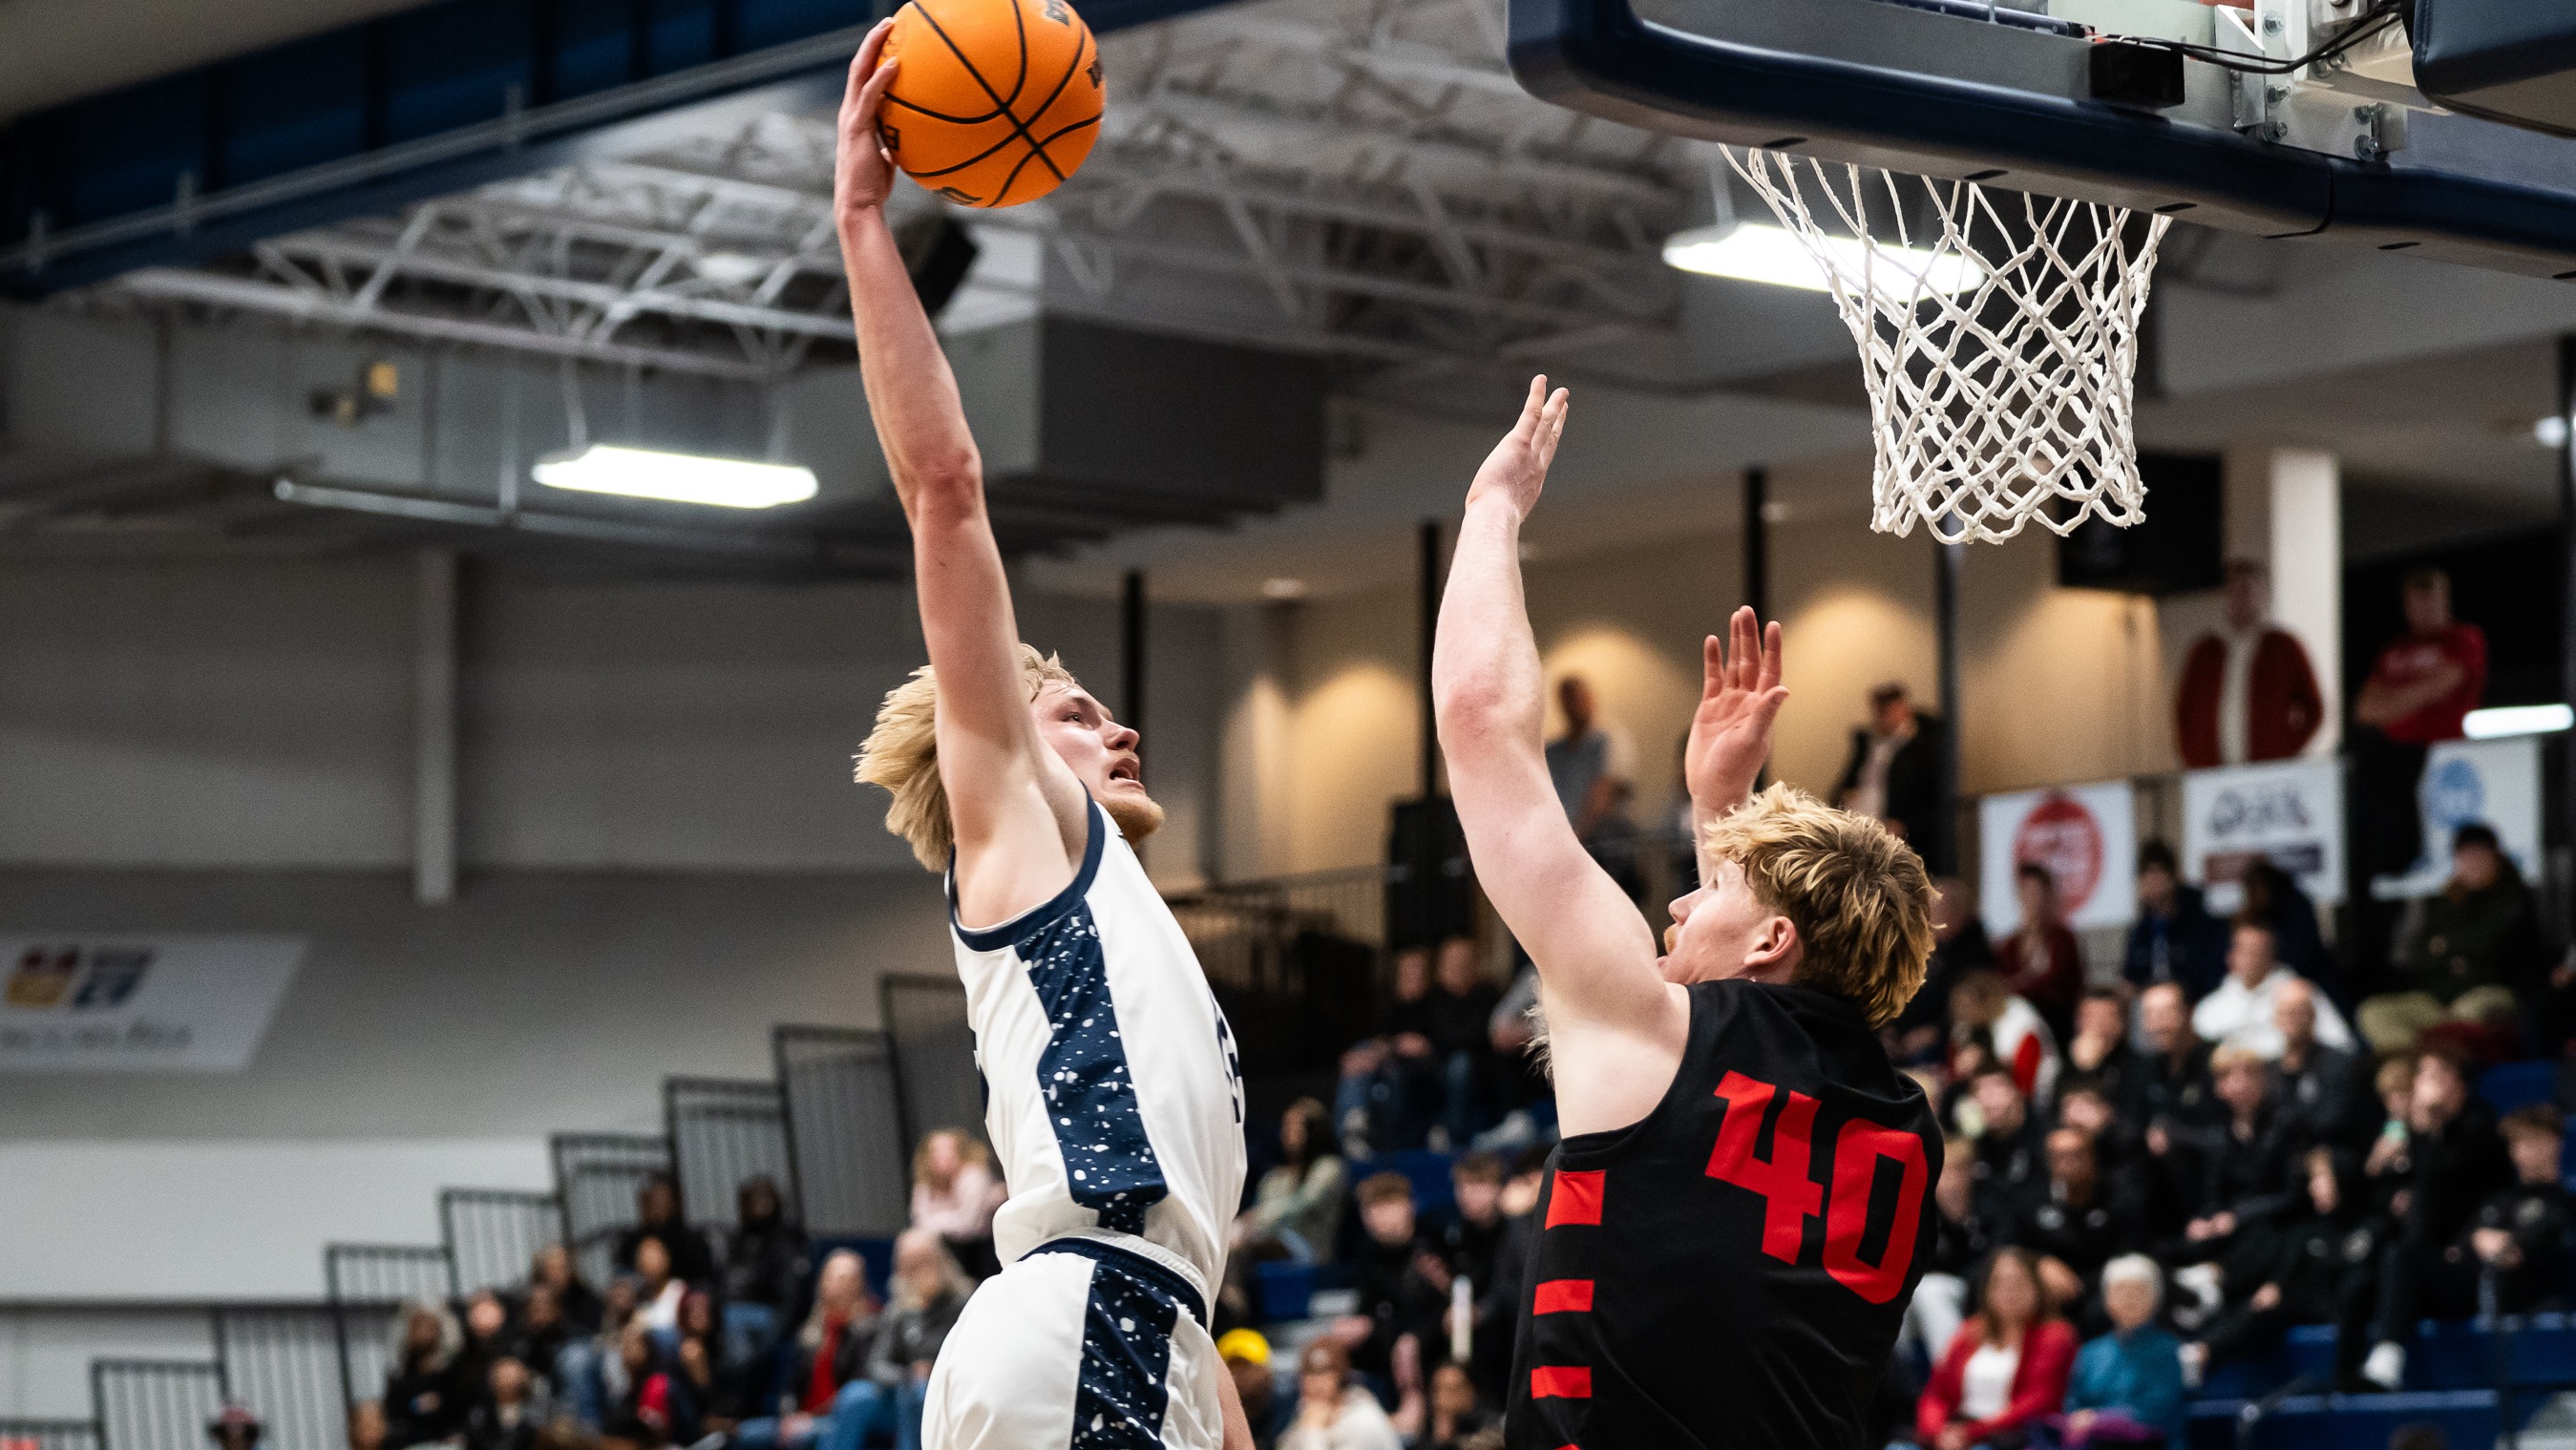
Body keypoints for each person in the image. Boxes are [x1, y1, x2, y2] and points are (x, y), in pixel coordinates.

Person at [836, 28, 1254, 1446]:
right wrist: (861, 224)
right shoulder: (1022, 828)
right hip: (1086, 1316)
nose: (1118, 722)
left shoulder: (1136, 935)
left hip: (1146, 1334)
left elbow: (1196, 1282)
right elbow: (945, 490)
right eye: (1074, 709)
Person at [1432, 383, 1940, 1450]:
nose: (1673, 898)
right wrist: (1723, 809)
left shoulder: (1652, 1031)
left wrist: (1491, 512)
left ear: (1769, 938)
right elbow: (1764, 1055)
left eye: (1706, 888)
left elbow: (1483, 727)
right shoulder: (1902, 1128)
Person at [2351, 1047, 2514, 1390]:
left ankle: (2388, 1351)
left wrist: (2424, 1129)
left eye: (2439, 1074)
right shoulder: (2418, 1134)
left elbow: (2448, 1180)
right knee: (2360, 1283)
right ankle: (2343, 1385)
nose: (2429, 1084)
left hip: (2466, 1266)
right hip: (2421, 1264)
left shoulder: (2479, 1125)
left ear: (2460, 1085)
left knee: (2402, 1255)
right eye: (2423, 1075)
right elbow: (2384, 1196)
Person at [2184, 1148, 2378, 1388]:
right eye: (2312, 1180)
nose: (2313, 1188)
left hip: (2339, 1311)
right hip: (2300, 1305)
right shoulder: (2309, 1229)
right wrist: (2276, 1286)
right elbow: (2286, 1272)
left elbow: (2346, 1280)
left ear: (2343, 1178)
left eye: (2321, 1178)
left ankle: (2204, 1351)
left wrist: (2285, 1292)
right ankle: (2206, 1310)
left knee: (2275, 1306)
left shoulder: (2370, 1228)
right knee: (2263, 1297)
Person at [2361, 823, 2544, 1053]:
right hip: (2436, 1000)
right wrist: (2451, 953)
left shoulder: (2513, 898)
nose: (2472, 863)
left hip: (2489, 994)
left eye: (2479, 855)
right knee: (2374, 1012)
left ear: (2495, 857)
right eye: (2465, 856)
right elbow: (2414, 957)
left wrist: (2444, 946)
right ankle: (2422, 1071)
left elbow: (2489, 945)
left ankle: (2439, 1070)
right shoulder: (2443, 900)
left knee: (2466, 1015)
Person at [2353, 568, 2486, 880]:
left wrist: (2394, 701)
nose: (2423, 609)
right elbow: (2364, 709)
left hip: (2442, 754)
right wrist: (2419, 694)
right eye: (2416, 602)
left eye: (2430, 600)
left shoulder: (2462, 638)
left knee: (2438, 838)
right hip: (2392, 758)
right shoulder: (2394, 650)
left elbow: (2443, 684)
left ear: (2444, 600)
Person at [1914, 1249, 2078, 1450]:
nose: (2009, 1292)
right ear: (1987, 1289)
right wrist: (1938, 1432)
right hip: (1958, 1431)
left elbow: (2040, 1399)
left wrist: (1971, 1433)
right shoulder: (1969, 1331)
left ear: (2037, 1288)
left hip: (2014, 1437)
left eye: (2018, 1283)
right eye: (2000, 1283)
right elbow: (1936, 1393)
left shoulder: (2056, 1335)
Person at [2174, 558, 2325, 770]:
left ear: (2262, 594)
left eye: (2248, 589)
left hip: (2266, 769)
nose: (2241, 598)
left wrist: (2286, 750)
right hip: (2212, 769)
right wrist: (2195, 756)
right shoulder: (2205, 652)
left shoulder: (2283, 647)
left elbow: (2313, 707)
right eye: (2234, 590)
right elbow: (2184, 712)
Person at [832, 1230, 974, 1450]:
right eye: (910, 1264)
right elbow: (877, 1365)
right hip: (901, 1392)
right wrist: (907, 1374)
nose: (918, 1271)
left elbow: (974, 1356)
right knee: (854, 1396)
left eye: (924, 1261)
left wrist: (934, 1371)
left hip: (947, 1390)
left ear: (941, 1260)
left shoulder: (964, 1303)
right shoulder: (898, 1310)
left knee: (920, 1391)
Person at [732, 1249, 880, 1450]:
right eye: (834, 1278)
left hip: (835, 1421)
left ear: (860, 1284)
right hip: (801, 1419)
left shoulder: (869, 1329)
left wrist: (809, 1419)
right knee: (744, 1434)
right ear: (823, 1282)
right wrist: (790, 1417)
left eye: (847, 1279)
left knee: (803, 1436)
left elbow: (857, 1392)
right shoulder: (810, 1330)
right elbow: (790, 1387)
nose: (840, 1285)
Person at [2059, 1256, 2185, 1449]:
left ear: (2155, 1298)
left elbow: (2155, 1412)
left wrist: (2097, 1420)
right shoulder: (2090, 1352)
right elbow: (2073, 1406)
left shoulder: (2168, 1349)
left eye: (2138, 1291)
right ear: (2106, 1299)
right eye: (2120, 1290)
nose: (2129, 1298)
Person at [1334, 1171, 1450, 1376]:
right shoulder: (1369, 1252)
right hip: (1386, 1340)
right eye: (1370, 1210)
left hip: (1436, 1344)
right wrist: (1358, 1324)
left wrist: (1409, 1335)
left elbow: (1439, 1307)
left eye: (1386, 1207)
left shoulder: (1432, 1243)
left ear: (1409, 1207)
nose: (1377, 1217)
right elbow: (1368, 1305)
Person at [2190, 919, 2354, 1060]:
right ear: (2230, 956)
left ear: (2272, 955)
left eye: (2258, 951)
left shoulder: (2299, 994)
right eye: (2244, 951)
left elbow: (2341, 1045)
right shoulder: (2212, 1006)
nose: (2251, 959)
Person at [1544, 674, 1642, 899]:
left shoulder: (1609, 740)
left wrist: (1577, 835)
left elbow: (1603, 794)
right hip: (1565, 845)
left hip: (1602, 849)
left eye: (1576, 698)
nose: (1571, 706)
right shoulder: (1554, 750)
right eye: (1566, 700)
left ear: (1589, 699)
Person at [1833, 682, 1949, 867]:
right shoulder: (1867, 744)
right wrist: (1845, 795)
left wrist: (1905, 826)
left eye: (1888, 711)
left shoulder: (1924, 745)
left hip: (1897, 839)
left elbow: (1937, 802)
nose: (1882, 718)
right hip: (1856, 835)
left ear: (1903, 709)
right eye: (1879, 712)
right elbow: (1842, 787)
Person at [2272, 977, 2378, 1154]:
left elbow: (2332, 1121)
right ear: (2275, 1018)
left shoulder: (2340, 1063)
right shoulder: (2269, 1069)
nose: (2291, 1019)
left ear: (2312, 1016)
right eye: (2285, 1012)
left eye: (2298, 1012)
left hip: (2336, 1153)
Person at [1235, 1098, 1346, 1265]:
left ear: (1314, 1130)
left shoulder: (1329, 1168)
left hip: (1310, 1249)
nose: (1288, 1134)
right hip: (1269, 1242)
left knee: (1243, 1250)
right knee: (1234, 1248)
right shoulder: (1274, 1177)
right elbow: (1262, 1216)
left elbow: (1303, 1203)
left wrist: (1254, 1218)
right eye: (1286, 1126)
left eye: (1296, 1127)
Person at [2122, 843, 2228, 1002]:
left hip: (2194, 1007)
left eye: (2156, 874)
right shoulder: (2141, 929)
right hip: (2153, 1009)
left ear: (2172, 878)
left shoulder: (2201, 923)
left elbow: (2210, 977)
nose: (2151, 883)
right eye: (2145, 876)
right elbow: (2131, 978)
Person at [724, 1175, 812, 1368]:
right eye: (753, 1199)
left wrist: (785, 1324)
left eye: (765, 1198)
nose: (760, 1205)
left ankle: (742, 1383)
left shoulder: (787, 1238)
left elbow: (792, 1291)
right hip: (735, 1309)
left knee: (733, 1319)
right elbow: (724, 1280)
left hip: (772, 1313)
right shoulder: (737, 1239)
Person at [1953, 968, 2061, 1108]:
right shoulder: (1967, 1025)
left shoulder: (2019, 1020)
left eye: (1966, 1005)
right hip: (1984, 1096)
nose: (1961, 1011)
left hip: (2035, 1097)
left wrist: (1982, 1061)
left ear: (1985, 1001)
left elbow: (2025, 1080)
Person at [1999, 864, 2083, 1042]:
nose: (2032, 898)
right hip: (2019, 1022)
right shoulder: (2011, 944)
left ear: (2048, 895)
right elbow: (2002, 982)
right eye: (2026, 891)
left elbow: (2056, 982)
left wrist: (2019, 985)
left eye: (2037, 892)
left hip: (2055, 1021)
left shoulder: (2063, 938)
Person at [907, 1129, 1004, 1280]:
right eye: (935, 1151)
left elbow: (970, 1225)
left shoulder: (973, 1176)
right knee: (911, 1245)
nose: (942, 1155)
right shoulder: (925, 1184)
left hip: (976, 1255)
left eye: (948, 1149)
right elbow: (920, 1224)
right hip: (942, 1253)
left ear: (961, 1153)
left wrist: (936, 1221)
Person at [1279, 1341, 1402, 1450]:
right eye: (1309, 1374)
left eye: (1323, 1373)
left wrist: (1313, 1430)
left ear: (1341, 1377)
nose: (1315, 1383)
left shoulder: (1363, 1419)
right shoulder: (1308, 1411)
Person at [383, 1300, 471, 1450]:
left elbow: (463, 1413)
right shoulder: (399, 1378)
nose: (423, 1332)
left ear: (441, 1329)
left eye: (429, 1326)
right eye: (417, 1326)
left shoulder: (456, 1374)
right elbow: (394, 1418)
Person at [615, 1173, 717, 1289]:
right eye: (651, 1200)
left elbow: (702, 1283)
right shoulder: (632, 1242)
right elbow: (623, 1278)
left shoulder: (692, 1244)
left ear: (673, 1202)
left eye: (661, 1200)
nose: (656, 1206)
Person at [464, 1358, 547, 1450]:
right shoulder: (479, 1416)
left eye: (511, 1375)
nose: (507, 1379)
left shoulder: (534, 1416)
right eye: (502, 1375)